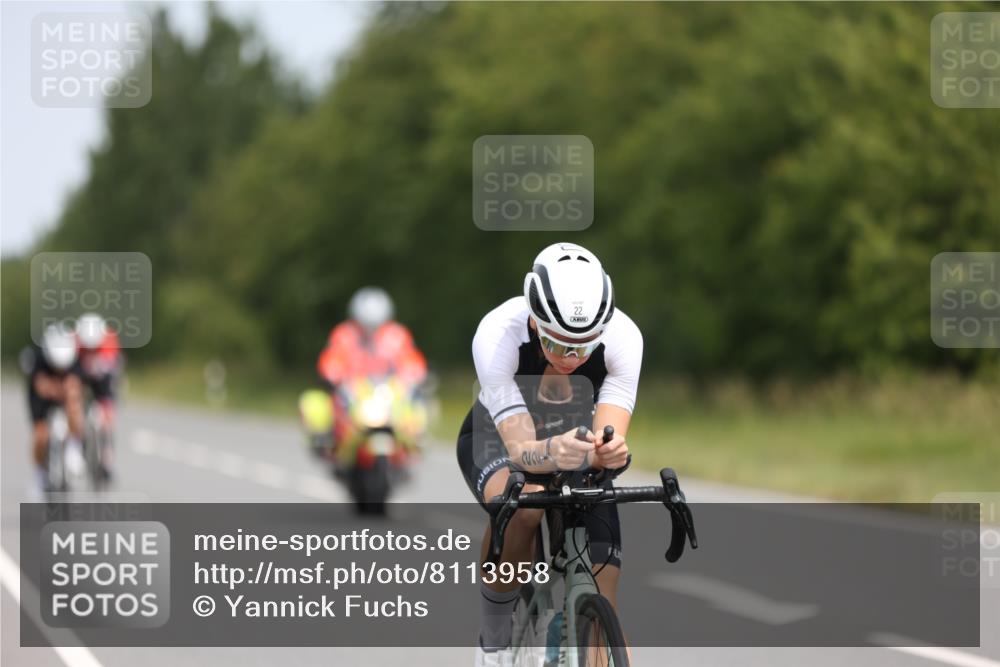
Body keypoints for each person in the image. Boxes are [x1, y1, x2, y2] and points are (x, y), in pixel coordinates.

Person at [456, 243, 641, 666]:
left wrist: (609, 450)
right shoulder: (498, 333)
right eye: (558, 344)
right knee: (522, 509)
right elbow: (521, 451)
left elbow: (603, 438)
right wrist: (553, 452)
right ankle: (495, 640)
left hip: (571, 441)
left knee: (603, 590)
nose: (572, 358)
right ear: (535, 323)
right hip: (498, 436)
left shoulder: (625, 338)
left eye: (584, 346)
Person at [317, 287, 428, 456]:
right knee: (325, 407)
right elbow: (332, 360)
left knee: (417, 407)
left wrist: (415, 376)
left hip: (387, 393)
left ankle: (412, 444)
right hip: (355, 393)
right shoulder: (344, 335)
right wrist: (332, 375)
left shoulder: (396, 336)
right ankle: (333, 444)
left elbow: (411, 361)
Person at [26, 324, 86, 495]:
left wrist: (68, 391)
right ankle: (39, 476)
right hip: (40, 399)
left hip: (62, 393)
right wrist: (59, 389)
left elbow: (76, 384)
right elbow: (40, 387)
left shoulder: (74, 358)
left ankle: (74, 448)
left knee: (75, 405)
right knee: (40, 436)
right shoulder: (37, 358)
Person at [75, 312, 123, 480]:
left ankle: (107, 458)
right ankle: (78, 449)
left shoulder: (109, 339)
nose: (90, 350)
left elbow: (113, 370)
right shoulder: (74, 341)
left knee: (107, 416)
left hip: (103, 377)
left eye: (93, 347)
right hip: (82, 376)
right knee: (75, 407)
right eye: (87, 347)